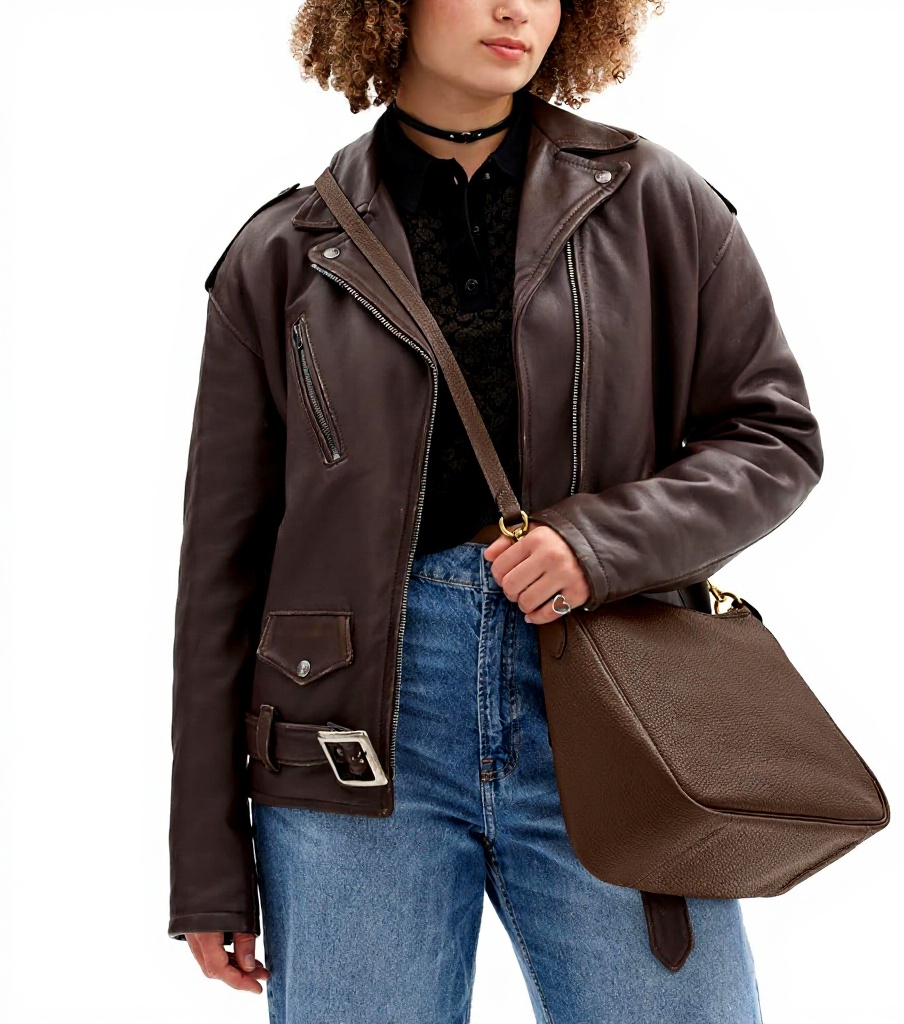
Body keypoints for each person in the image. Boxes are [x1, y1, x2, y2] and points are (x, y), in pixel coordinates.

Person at [168, 1, 824, 1021]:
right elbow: (221, 570)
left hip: (613, 708)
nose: (516, 8)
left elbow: (772, 438)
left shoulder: (656, 202)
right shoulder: (283, 252)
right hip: (350, 737)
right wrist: (208, 866)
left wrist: (596, 545)